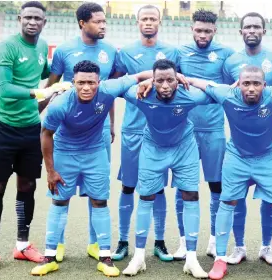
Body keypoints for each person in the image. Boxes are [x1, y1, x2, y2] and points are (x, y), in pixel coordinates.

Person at [180, 65, 272, 280]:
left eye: (257, 84)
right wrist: (179, 77)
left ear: (265, 85)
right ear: (238, 84)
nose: (251, 88)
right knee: (227, 202)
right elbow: (201, 83)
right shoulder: (226, 94)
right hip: (237, 157)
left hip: (270, 157)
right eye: (246, 83)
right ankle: (220, 259)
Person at [31, 60, 154, 277]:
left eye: (91, 83)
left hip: (95, 152)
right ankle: (49, 257)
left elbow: (138, 76)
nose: (86, 87)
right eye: (81, 83)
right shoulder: (60, 104)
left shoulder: (109, 89)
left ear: (99, 82)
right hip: (65, 152)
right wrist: (50, 170)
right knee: (59, 201)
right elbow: (46, 134)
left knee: (99, 201)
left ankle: (105, 257)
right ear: (73, 82)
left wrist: (155, 78)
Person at [0, 1, 53, 271]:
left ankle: (22, 245)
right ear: (19, 18)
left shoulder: (43, 46)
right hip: (2, 126)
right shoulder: (7, 47)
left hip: (30, 127)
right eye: (28, 17)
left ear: (44, 22)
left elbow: (45, 70)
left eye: (38, 18)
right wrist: (38, 93)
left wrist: (61, 74)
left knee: (27, 186)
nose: (33, 22)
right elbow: (4, 88)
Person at [121, 59, 209, 278]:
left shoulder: (190, 95)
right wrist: (144, 80)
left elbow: (217, 91)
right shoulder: (139, 94)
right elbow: (118, 85)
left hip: (184, 147)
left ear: (177, 80)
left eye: (170, 79)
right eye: (159, 80)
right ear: (153, 80)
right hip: (153, 148)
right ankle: (139, 256)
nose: (165, 85)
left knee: (190, 194)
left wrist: (187, 79)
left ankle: (191, 258)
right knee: (146, 196)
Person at [45, 1, 117, 262]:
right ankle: (58, 245)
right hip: (68, 128)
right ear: (82, 23)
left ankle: (96, 243)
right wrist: (37, 111)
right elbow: (52, 86)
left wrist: (112, 123)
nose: (103, 25)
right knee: (62, 190)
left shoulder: (110, 51)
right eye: (98, 21)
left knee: (97, 188)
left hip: (100, 126)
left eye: (104, 21)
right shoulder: (64, 50)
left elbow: (109, 90)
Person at [112, 4, 179, 262]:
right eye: (144, 19)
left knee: (158, 188)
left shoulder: (171, 51)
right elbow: (115, 84)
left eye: (153, 18)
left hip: (162, 132)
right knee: (128, 186)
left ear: (159, 22)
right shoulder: (126, 52)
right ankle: (122, 242)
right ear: (137, 22)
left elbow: (179, 83)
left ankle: (159, 242)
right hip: (133, 130)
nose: (148, 22)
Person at [221, 11, 272, 265]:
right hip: (239, 141)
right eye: (247, 27)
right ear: (240, 32)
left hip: (267, 138)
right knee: (236, 197)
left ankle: (267, 247)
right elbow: (228, 94)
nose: (251, 30)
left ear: (264, 30)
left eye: (256, 27)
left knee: (270, 197)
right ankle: (238, 247)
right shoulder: (230, 61)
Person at [173, 8, 235, 260]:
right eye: (198, 30)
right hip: (184, 130)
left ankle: (213, 240)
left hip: (213, 130)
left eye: (207, 31)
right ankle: (183, 241)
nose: (202, 35)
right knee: (183, 186)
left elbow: (236, 84)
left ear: (215, 30)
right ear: (192, 28)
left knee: (216, 185)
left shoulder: (226, 55)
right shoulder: (180, 53)